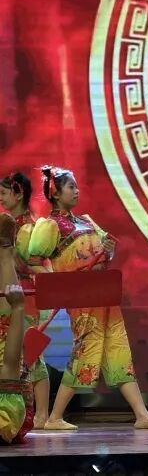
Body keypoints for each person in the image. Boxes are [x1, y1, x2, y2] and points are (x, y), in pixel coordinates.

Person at [27, 166, 148, 431]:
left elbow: (105, 256)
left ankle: (142, 415)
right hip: (82, 300)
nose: (77, 191)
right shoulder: (50, 225)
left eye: (77, 186)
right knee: (85, 353)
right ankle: (54, 417)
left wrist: (109, 250)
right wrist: (60, 285)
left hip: (104, 296)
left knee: (119, 352)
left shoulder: (87, 221)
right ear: (56, 193)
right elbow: (34, 261)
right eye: (71, 187)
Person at [0, 172, 49, 428]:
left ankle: (42, 414)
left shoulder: (30, 227)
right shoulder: (14, 224)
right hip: (9, 291)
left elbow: (33, 264)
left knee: (30, 354)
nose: (0, 198)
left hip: (25, 294)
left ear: (18, 193)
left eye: (4, 193)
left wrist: (7, 255)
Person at [0, 213, 33, 445]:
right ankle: (5, 253)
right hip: (9, 405)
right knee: (5, 329)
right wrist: (19, 308)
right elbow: (11, 363)